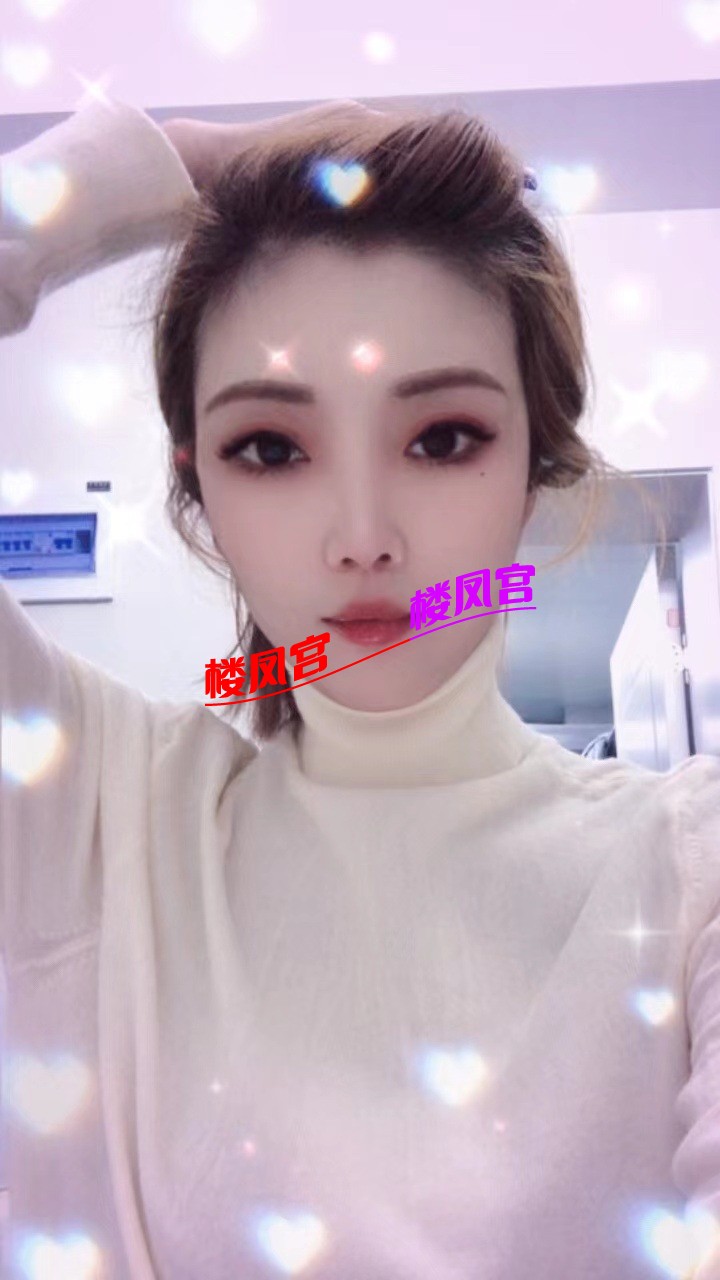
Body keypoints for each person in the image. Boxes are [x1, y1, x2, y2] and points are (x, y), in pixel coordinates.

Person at [0, 92, 719, 1280]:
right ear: (199, 493)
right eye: (271, 448)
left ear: (536, 463)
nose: (364, 537)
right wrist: (170, 162)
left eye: (442, 437)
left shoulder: (690, 866)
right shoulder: (96, 811)